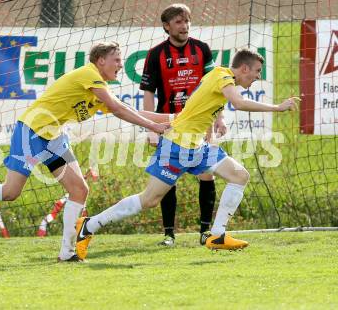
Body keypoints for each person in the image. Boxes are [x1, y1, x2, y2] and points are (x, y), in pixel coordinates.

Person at [0, 41, 171, 262]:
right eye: (116, 60)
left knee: (79, 190)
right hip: (32, 131)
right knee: (9, 192)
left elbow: (128, 109)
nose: (119, 64)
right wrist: (153, 127)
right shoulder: (89, 73)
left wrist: (174, 118)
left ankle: (67, 253)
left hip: (53, 137)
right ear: (101, 60)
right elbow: (118, 109)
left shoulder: (99, 89)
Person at [75, 48, 299, 260]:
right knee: (150, 200)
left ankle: (217, 235)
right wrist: (278, 107)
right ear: (244, 69)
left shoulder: (220, 78)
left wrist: (210, 128)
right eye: (257, 71)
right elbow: (238, 103)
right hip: (177, 146)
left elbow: (203, 105)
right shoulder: (223, 76)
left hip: (197, 147)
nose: (258, 76)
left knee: (240, 175)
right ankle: (89, 225)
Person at [141, 3, 223, 247]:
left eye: (186, 20)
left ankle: (205, 232)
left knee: (207, 175)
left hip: (200, 123)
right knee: (168, 178)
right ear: (167, 26)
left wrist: (218, 117)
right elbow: (148, 92)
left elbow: (217, 87)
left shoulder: (202, 49)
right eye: (178, 21)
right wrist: (149, 127)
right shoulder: (156, 54)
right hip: (169, 125)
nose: (184, 25)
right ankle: (169, 234)